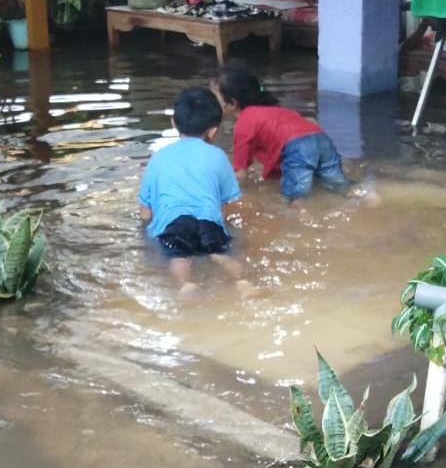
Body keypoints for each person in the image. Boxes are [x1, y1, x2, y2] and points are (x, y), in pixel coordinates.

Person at [138, 86, 246, 295]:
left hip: (174, 222)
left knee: (178, 256)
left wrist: (145, 232)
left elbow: (146, 212)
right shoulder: (219, 156)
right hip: (208, 221)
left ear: (173, 123)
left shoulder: (159, 158)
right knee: (219, 253)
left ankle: (186, 285)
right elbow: (224, 207)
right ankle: (242, 282)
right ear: (213, 131)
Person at [211, 61, 359, 207]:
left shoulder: (243, 123)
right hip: (321, 138)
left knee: (296, 199)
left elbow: (241, 175)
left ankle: (303, 222)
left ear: (231, 103)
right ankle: (370, 198)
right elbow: (308, 123)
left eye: (215, 98)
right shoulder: (274, 110)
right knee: (341, 186)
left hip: (297, 146)